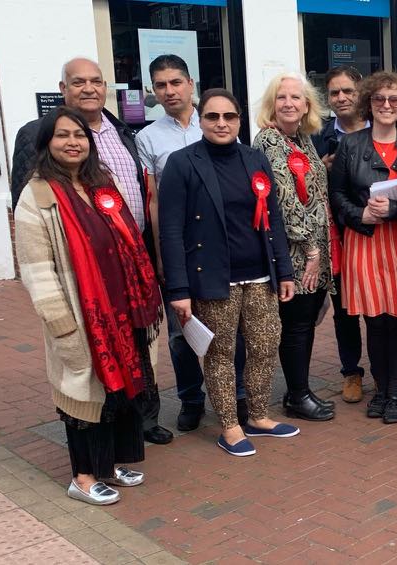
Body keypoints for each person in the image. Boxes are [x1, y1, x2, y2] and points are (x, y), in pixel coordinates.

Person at [14, 57, 170, 445]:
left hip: (132, 258)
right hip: (83, 268)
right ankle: (97, 438)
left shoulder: (124, 131)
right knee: (93, 350)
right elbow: (31, 203)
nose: (89, 88)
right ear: (62, 88)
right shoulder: (36, 133)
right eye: (78, 81)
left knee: (137, 339)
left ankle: (143, 419)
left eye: (97, 81)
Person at [159, 89, 299, 457]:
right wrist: (178, 288)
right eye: (212, 117)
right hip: (213, 278)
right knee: (220, 353)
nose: (221, 124)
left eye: (229, 117)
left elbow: (274, 218)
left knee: (265, 345)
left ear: (239, 120)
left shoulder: (255, 159)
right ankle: (231, 426)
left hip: (260, 276)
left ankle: (257, 415)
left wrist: (284, 270)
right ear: (200, 119)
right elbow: (171, 230)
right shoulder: (182, 163)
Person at [136, 54, 248, 433]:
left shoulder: (218, 121)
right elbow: (153, 202)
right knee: (181, 331)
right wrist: (163, 257)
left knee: (231, 328)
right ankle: (191, 399)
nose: (169, 91)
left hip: (222, 249)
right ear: (153, 91)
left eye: (176, 82)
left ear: (190, 84)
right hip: (180, 246)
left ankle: (237, 396)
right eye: (161, 85)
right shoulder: (147, 138)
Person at [329, 71, 397, 423]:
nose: (386, 105)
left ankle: (395, 393)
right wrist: (360, 214)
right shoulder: (350, 145)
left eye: (394, 99)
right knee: (376, 323)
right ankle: (380, 390)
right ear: (369, 103)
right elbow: (335, 194)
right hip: (364, 243)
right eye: (379, 99)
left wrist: (396, 209)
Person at [253, 73, 336, 421]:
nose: (289, 103)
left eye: (296, 98)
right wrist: (311, 249)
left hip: (314, 248)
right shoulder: (270, 142)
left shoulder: (302, 139)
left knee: (303, 321)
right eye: (282, 97)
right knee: (297, 324)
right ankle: (298, 395)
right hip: (296, 252)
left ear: (307, 106)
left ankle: (297, 390)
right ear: (272, 104)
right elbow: (283, 201)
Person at [312, 65, 369, 403]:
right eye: (335, 93)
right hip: (337, 237)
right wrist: (322, 168)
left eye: (348, 90)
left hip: (378, 232)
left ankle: (391, 368)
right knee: (345, 307)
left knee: (383, 308)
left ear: (359, 91)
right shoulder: (317, 138)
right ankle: (351, 372)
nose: (342, 98)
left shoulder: (384, 129)